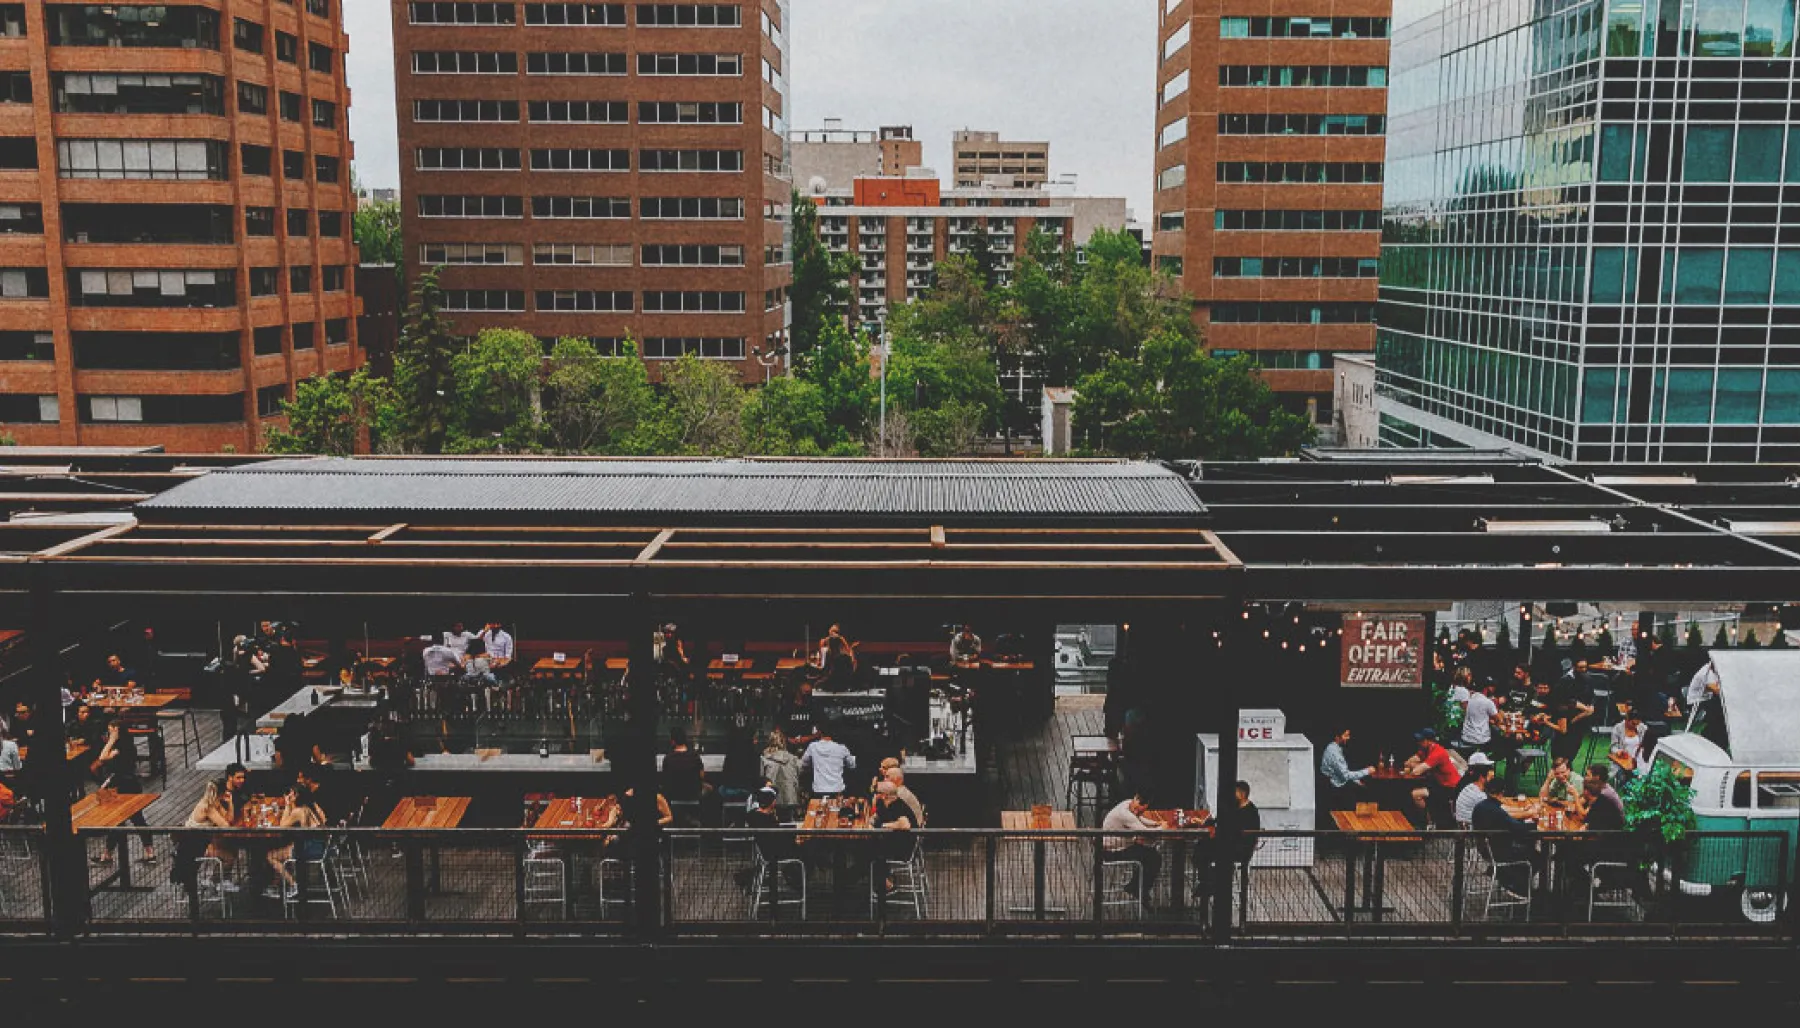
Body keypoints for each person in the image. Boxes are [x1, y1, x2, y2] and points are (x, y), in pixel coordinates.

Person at [92, 719, 156, 867]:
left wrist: (112, 739)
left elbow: (102, 758)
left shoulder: (121, 746)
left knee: (135, 819)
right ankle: (108, 854)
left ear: (117, 730)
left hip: (125, 786)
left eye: (111, 730)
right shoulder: (123, 745)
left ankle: (148, 852)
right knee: (123, 820)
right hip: (123, 785)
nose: (108, 734)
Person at [1470, 777, 1536, 899]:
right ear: (1501, 793)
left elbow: (1508, 821)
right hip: (1499, 853)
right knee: (1537, 857)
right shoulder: (1496, 811)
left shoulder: (1481, 806)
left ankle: (1507, 876)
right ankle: (1515, 885)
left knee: (1527, 849)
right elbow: (1518, 829)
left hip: (1486, 850)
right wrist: (1534, 824)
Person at [1100, 793, 1164, 899]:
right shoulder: (1125, 814)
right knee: (1154, 858)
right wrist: (1162, 828)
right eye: (1137, 809)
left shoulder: (1128, 803)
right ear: (1136, 799)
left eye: (1140, 811)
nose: (1136, 812)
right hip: (1112, 852)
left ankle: (1134, 886)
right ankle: (1138, 890)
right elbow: (1145, 832)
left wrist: (1155, 824)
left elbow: (1139, 818)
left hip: (1116, 846)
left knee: (1149, 853)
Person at [268, 782, 328, 893]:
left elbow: (282, 827)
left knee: (271, 856)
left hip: (308, 849)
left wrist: (287, 805)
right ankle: (276, 883)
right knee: (287, 846)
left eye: (292, 794)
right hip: (321, 845)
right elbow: (324, 820)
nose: (289, 796)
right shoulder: (311, 806)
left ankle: (293, 884)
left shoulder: (298, 811)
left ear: (297, 796)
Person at [1404, 728, 1463, 829]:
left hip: (1450, 788)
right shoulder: (1425, 750)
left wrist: (1418, 765)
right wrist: (1418, 765)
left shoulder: (1437, 753)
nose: (1419, 742)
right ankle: (1428, 820)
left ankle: (1427, 823)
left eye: (1421, 740)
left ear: (1429, 741)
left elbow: (1416, 771)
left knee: (1416, 794)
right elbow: (1408, 762)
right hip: (1440, 784)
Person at [1319, 727, 1372, 809]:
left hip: (1335, 782)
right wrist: (1367, 771)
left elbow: (1342, 771)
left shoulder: (1333, 746)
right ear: (1337, 737)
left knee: (1363, 788)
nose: (1348, 738)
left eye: (1348, 735)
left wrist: (1356, 781)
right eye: (1346, 735)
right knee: (1366, 794)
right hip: (1335, 788)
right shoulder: (1335, 753)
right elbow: (1345, 775)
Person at [800, 723, 856, 798]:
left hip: (818, 790)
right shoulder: (842, 748)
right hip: (837, 790)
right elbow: (852, 765)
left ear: (819, 732)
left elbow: (803, 764)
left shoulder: (812, 747)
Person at [760, 728, 803, 819]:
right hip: (790, 798)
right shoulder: (793, 759)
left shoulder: (764, 759)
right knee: (788, 824)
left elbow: (761, 778)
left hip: (770, 799)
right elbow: (800, 772)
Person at [660, 729, 707, 810]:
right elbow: (702, 776)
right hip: (693, 794)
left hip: (673, 794)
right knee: (710, 789)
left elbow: (665, 778)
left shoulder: (668, 758)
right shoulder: (695, 756)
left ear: (673, 741)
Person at [1579, 765, 1626, 832]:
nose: (1585, 777)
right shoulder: (1599, 788)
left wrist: (1575, 795)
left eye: (1588, 775)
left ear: (1597, 777)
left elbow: (1584, 816)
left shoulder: (1603, 795)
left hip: (1613, 830)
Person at [1455, 754, 1497, 827]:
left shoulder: (1470, 786)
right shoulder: (1479, 796)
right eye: (1491, 776)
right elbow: (1497, 814)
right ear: (1482, 776)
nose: (1492, 778)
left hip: (1466, 827)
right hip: (1473, 832)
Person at [1461, 681, 1501, 752]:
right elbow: (1498, 719)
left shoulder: (1468, 699)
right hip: (1480, 740)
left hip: (1466, 737)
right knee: (1496, 731)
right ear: (1485, 689)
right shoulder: (1488, 702)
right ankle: (1495, 754)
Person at [1610, 708, 1651, 774]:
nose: (1635, 726)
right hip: (1623, 761)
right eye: (1633, 723)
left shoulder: (1643, 727)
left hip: (1638, 760)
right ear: (1627, 720)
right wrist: (1618, 751)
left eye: (1638, 724)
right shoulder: (1618, 728)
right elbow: (1613, 747)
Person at [780, 680, 820, 745]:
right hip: (789, 746)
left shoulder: (813, 707)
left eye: (809, 693)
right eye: (806, 692)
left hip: (808, 746)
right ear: (798, 692)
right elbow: (778, 729)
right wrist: (788, 739)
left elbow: (820, 731)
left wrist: (809, 738)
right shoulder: (787, 707)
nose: (808, 695)